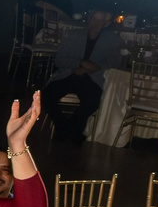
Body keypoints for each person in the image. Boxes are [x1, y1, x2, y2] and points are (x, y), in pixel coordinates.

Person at [44, 8, 122, 142]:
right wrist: (80, 63)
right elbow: (59, 60)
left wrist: (88, 69)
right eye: (94, 18)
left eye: (100, 20)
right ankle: (63, 126)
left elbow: (114, 66)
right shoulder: (74, 34)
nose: (95, 22)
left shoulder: (112, 41)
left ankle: (70, 128)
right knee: (47, 95)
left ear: (106, 23)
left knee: (92, 100)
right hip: (68, 74)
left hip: (92, 78)